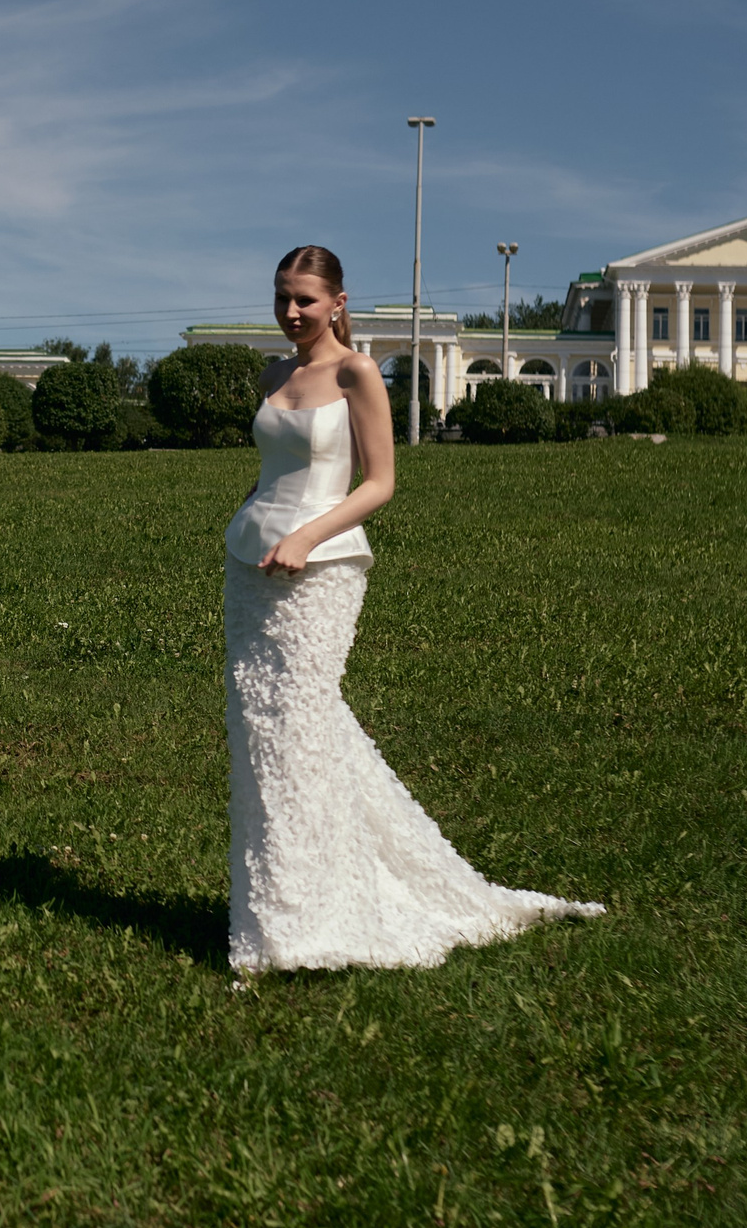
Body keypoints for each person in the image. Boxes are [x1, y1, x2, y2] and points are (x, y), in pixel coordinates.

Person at [224, 244, 598, 973]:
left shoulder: (358, 372)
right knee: (265, 729)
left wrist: (305, 535)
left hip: (322, 564)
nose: (291, 313)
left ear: (337, 301)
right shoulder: (274, 373)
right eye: (282, 298)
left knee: (302, 718)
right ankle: (276, 909)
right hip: (249, 567)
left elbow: (378, 482)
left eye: (305, 299)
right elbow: (273, 467)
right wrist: (250, 519)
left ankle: (319, 914)